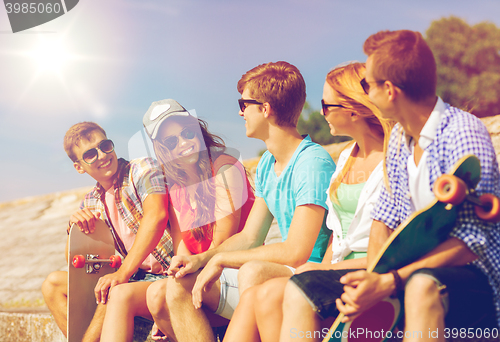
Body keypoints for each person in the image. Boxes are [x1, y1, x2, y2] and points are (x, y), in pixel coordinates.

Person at [280, 30, 500, 342]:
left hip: (476, 281)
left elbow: (472, 242)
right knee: (302, 288)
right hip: (403, 274)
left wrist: (390, 281)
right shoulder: (399, 138)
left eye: (367, 84)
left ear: (390, 90)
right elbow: (384, 218)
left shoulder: (462, 132)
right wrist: (371, 280)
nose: (365, 94)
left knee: (422, 285)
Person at [145, 61, 336, 342]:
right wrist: (202, 259)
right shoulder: (268, 164)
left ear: (265, 108)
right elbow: (250, 236)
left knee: (254, 271)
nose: (240, 111)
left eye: (244, 103)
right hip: (287, 270)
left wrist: (221, 258)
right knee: (176, 287)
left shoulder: (312, 161)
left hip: (312, 274)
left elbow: (297, 251)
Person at [222, 62, 395, 342]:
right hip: (334, 267)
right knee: (257, 293)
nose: (319, 112)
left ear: (352, 108)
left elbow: (381, 248)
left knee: (262, 286)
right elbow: (336, 236)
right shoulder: (346, 158)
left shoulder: (389, 159)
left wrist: (321, 268)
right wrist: (208, 260)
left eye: (327, 106)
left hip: (367, 271)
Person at [100, 99, 255, 341]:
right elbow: (181, 247)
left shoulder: (226, 167)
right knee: (131, 295)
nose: (183, 143)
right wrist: (177, 268)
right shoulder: (174, 186)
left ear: (198, 130)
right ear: (161, 148)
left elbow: (223, 244)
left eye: (187, 133)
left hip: (232, 273)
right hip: (197, 276)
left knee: (165, 294)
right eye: (171, 141)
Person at [41, 122, 174, 342]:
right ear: (79, 166)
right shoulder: (91, 201)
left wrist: (121, 274)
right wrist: (74, 227)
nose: (102, 156)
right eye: (91, 154)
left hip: (166, 274)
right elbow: (76, 265)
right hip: (134, 278)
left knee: (112, 288)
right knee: (52, 284)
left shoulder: (141, 169)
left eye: (105, 146)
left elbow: (157, 216)